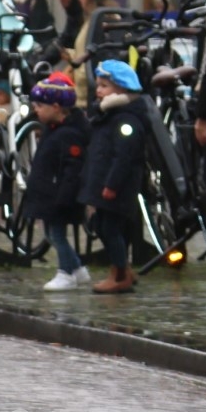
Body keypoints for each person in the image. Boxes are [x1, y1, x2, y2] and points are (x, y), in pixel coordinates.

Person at [20, 73, 92, 292]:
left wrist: (64, 197)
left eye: (40, 105)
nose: (36, 110)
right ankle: (77, 269)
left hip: (58, 196)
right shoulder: (54, 131)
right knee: (52, 233)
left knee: (56, 234)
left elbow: (72, 170)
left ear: (57, 107)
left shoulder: (68, 135)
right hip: (50, 193)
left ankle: (66, 272)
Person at [82, 60, 148, 295]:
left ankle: (120, 274)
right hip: (105, 183)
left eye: (104, 86)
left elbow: (124, 157)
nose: (98, 90)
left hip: (117, 187)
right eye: (98, 85)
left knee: (110, 228)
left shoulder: (125, 120)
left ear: (121, 89)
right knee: (102, 225)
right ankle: (121, 268)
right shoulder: (107, 116)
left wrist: (111, 184)